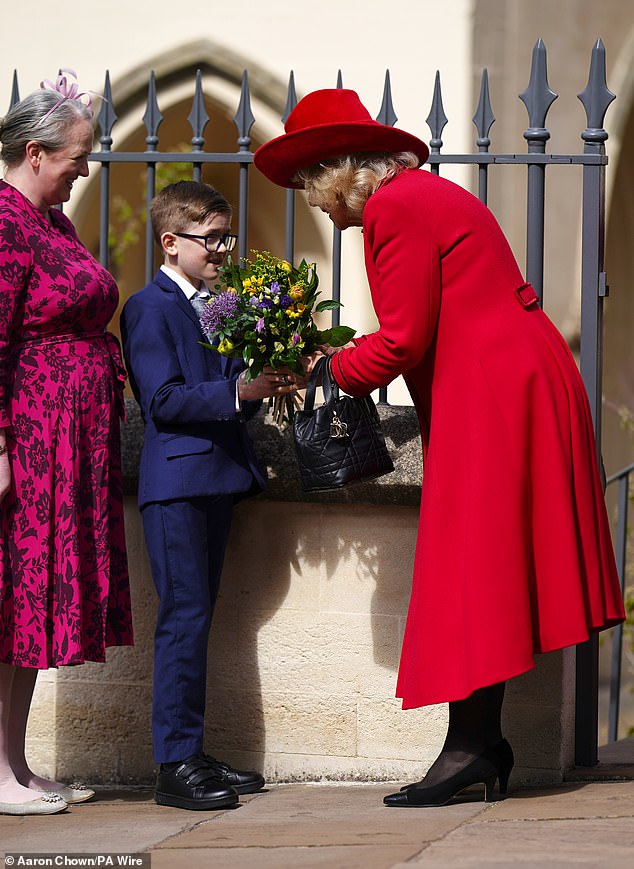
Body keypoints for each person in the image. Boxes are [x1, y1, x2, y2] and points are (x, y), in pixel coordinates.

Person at [253, 88, 626, 807]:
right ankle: (478, 744)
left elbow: (402, 337)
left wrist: (324, 372)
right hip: (507, 383)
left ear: (339, 171)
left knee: (470, 566)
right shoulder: (419, 195)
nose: (313, 204)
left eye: (310, 184)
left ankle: (470, 746)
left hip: (495, 393)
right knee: (481, 568)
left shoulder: (393, 209)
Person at [120, 180, 301, 811]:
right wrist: (239, 393)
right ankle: (174, 763)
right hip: (175, 486)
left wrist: (268, 371)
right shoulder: (149, 307)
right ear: (170, 242)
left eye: (226, 237)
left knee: (200, 622)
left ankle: (192, 752)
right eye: (210, 239)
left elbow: (228, 387)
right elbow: (163, 401)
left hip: (216, 480)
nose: (222, 250)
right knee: (183, 621)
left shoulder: (219, 304)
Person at [0, 73, 133, 816]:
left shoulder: (53, 223)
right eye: (78, 155)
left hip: (67, 436)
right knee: (8, 598)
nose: (86, 167)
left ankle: (14, 764)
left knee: (33, 605)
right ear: (35, 151)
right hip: (30, 435)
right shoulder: (4, 221)